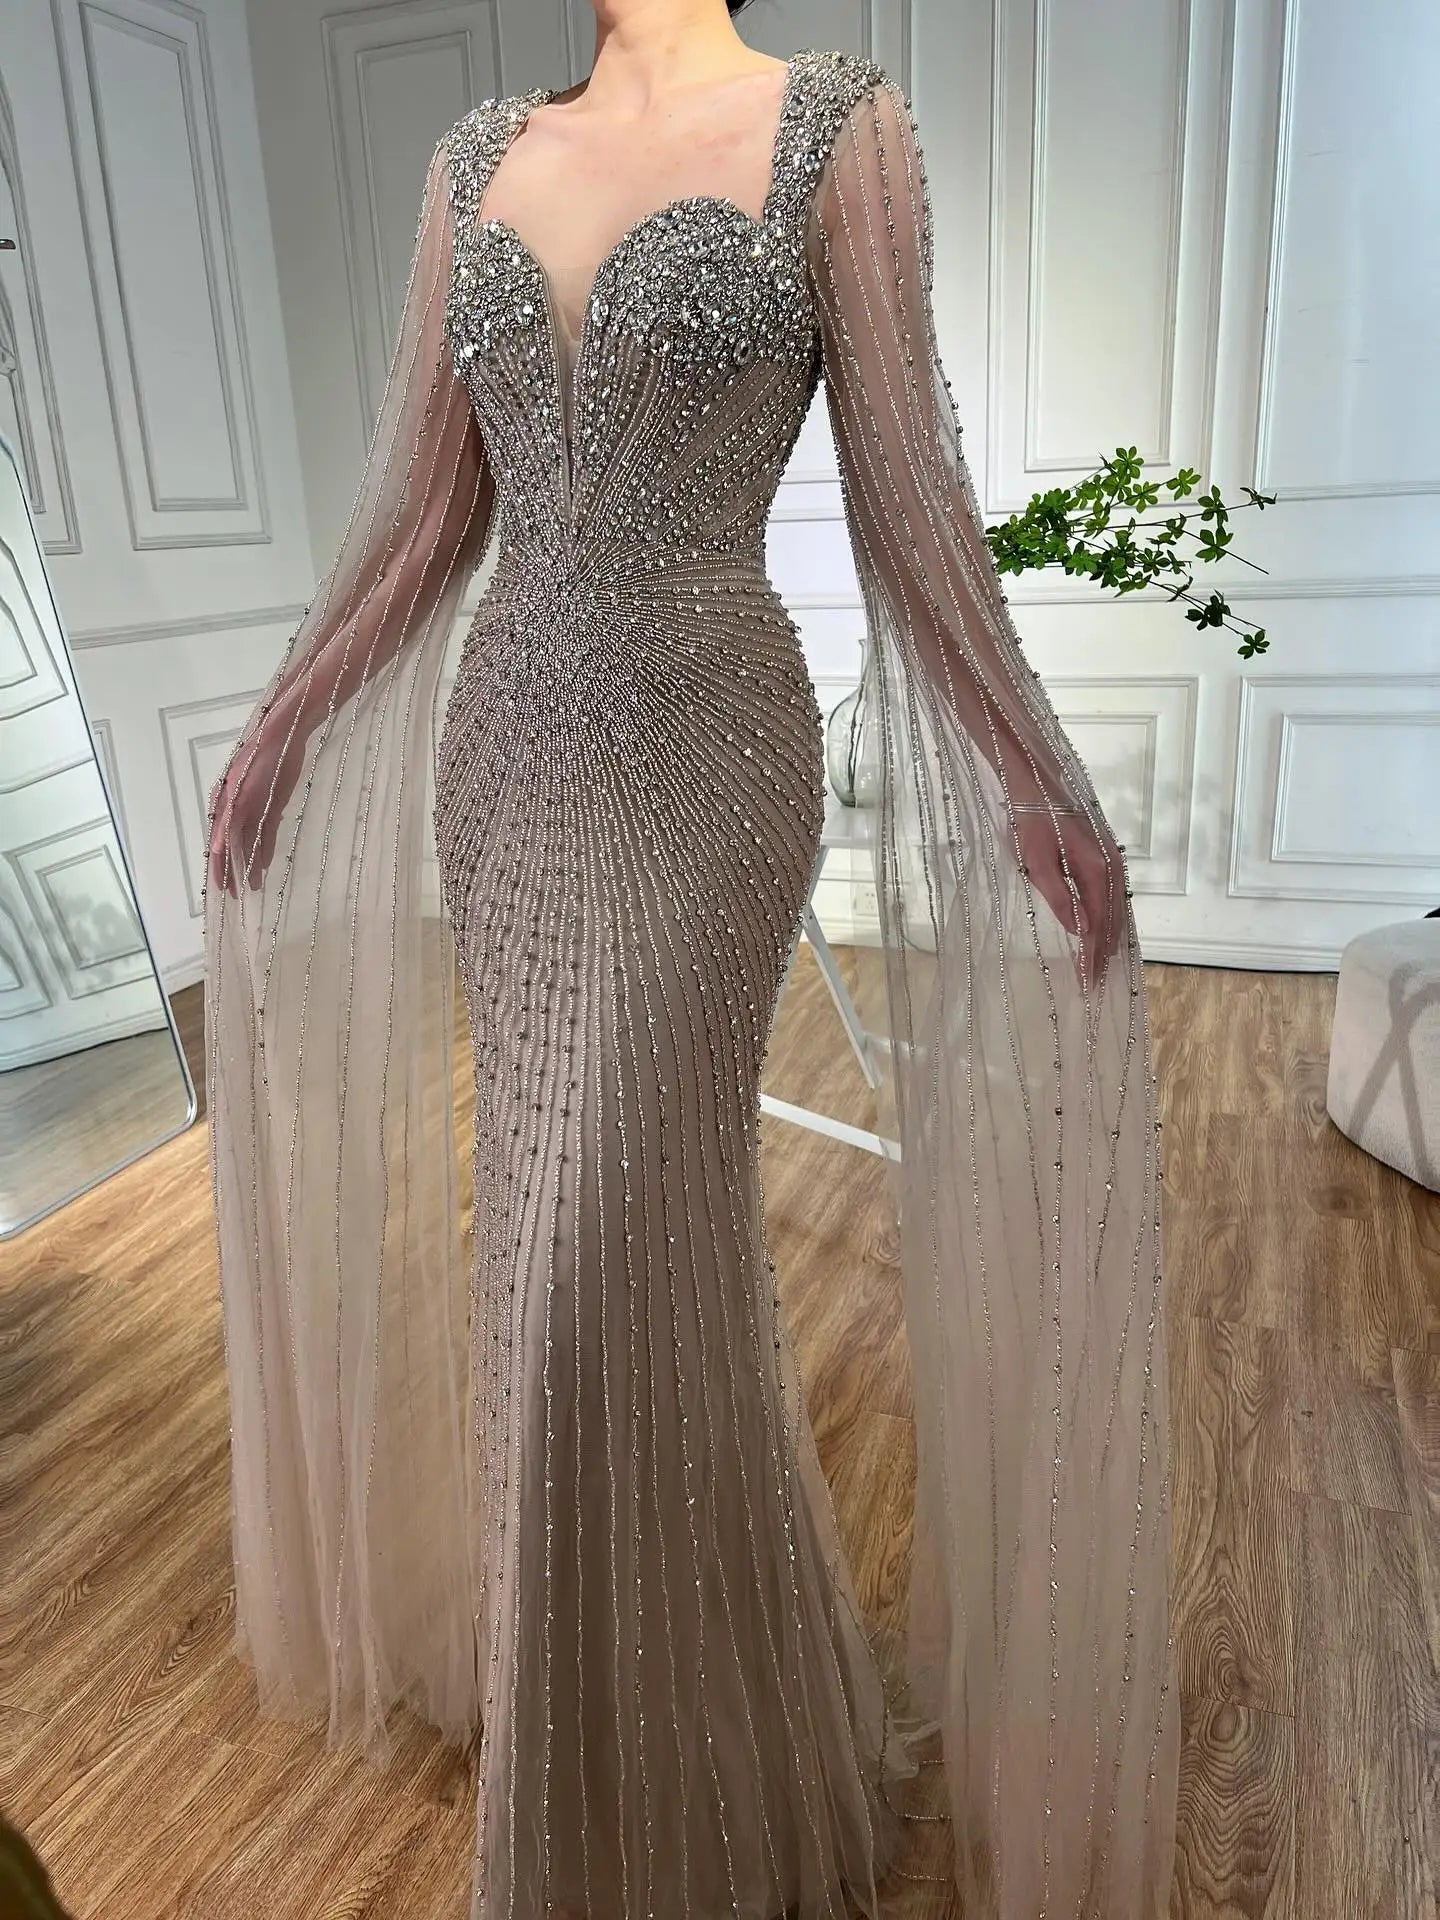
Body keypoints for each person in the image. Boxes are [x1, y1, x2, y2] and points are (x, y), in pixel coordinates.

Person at [203, 3, 1179, 1915]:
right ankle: (634, 1732)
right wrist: (288, 717)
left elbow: (911, 507)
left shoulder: (837, 131)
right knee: (557, 1259)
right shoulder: (474, 161)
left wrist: (1031, 772)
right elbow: (427, 517)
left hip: (713, 756)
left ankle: (642, 1791)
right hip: (508, 764)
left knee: (601, 1248)